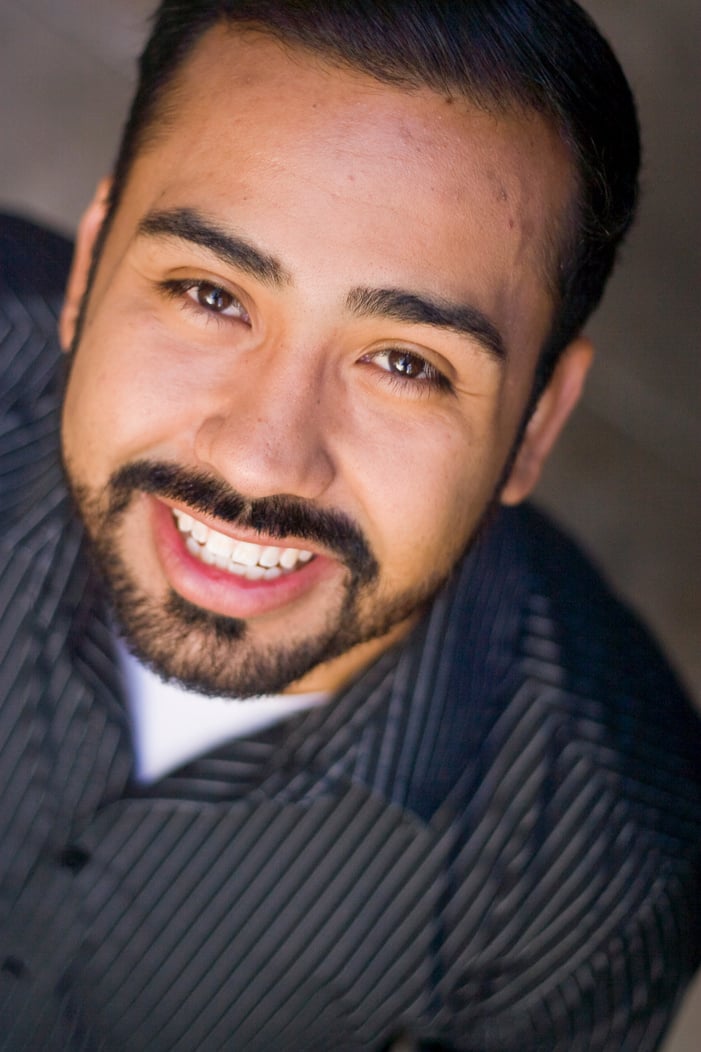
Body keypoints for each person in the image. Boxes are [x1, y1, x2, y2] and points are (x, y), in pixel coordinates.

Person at [0, 1, 699, 1049]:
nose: (261, 458)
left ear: (534, 423)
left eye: (406, 363)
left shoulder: (600, 864)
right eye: (207, 292)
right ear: (92, 263)